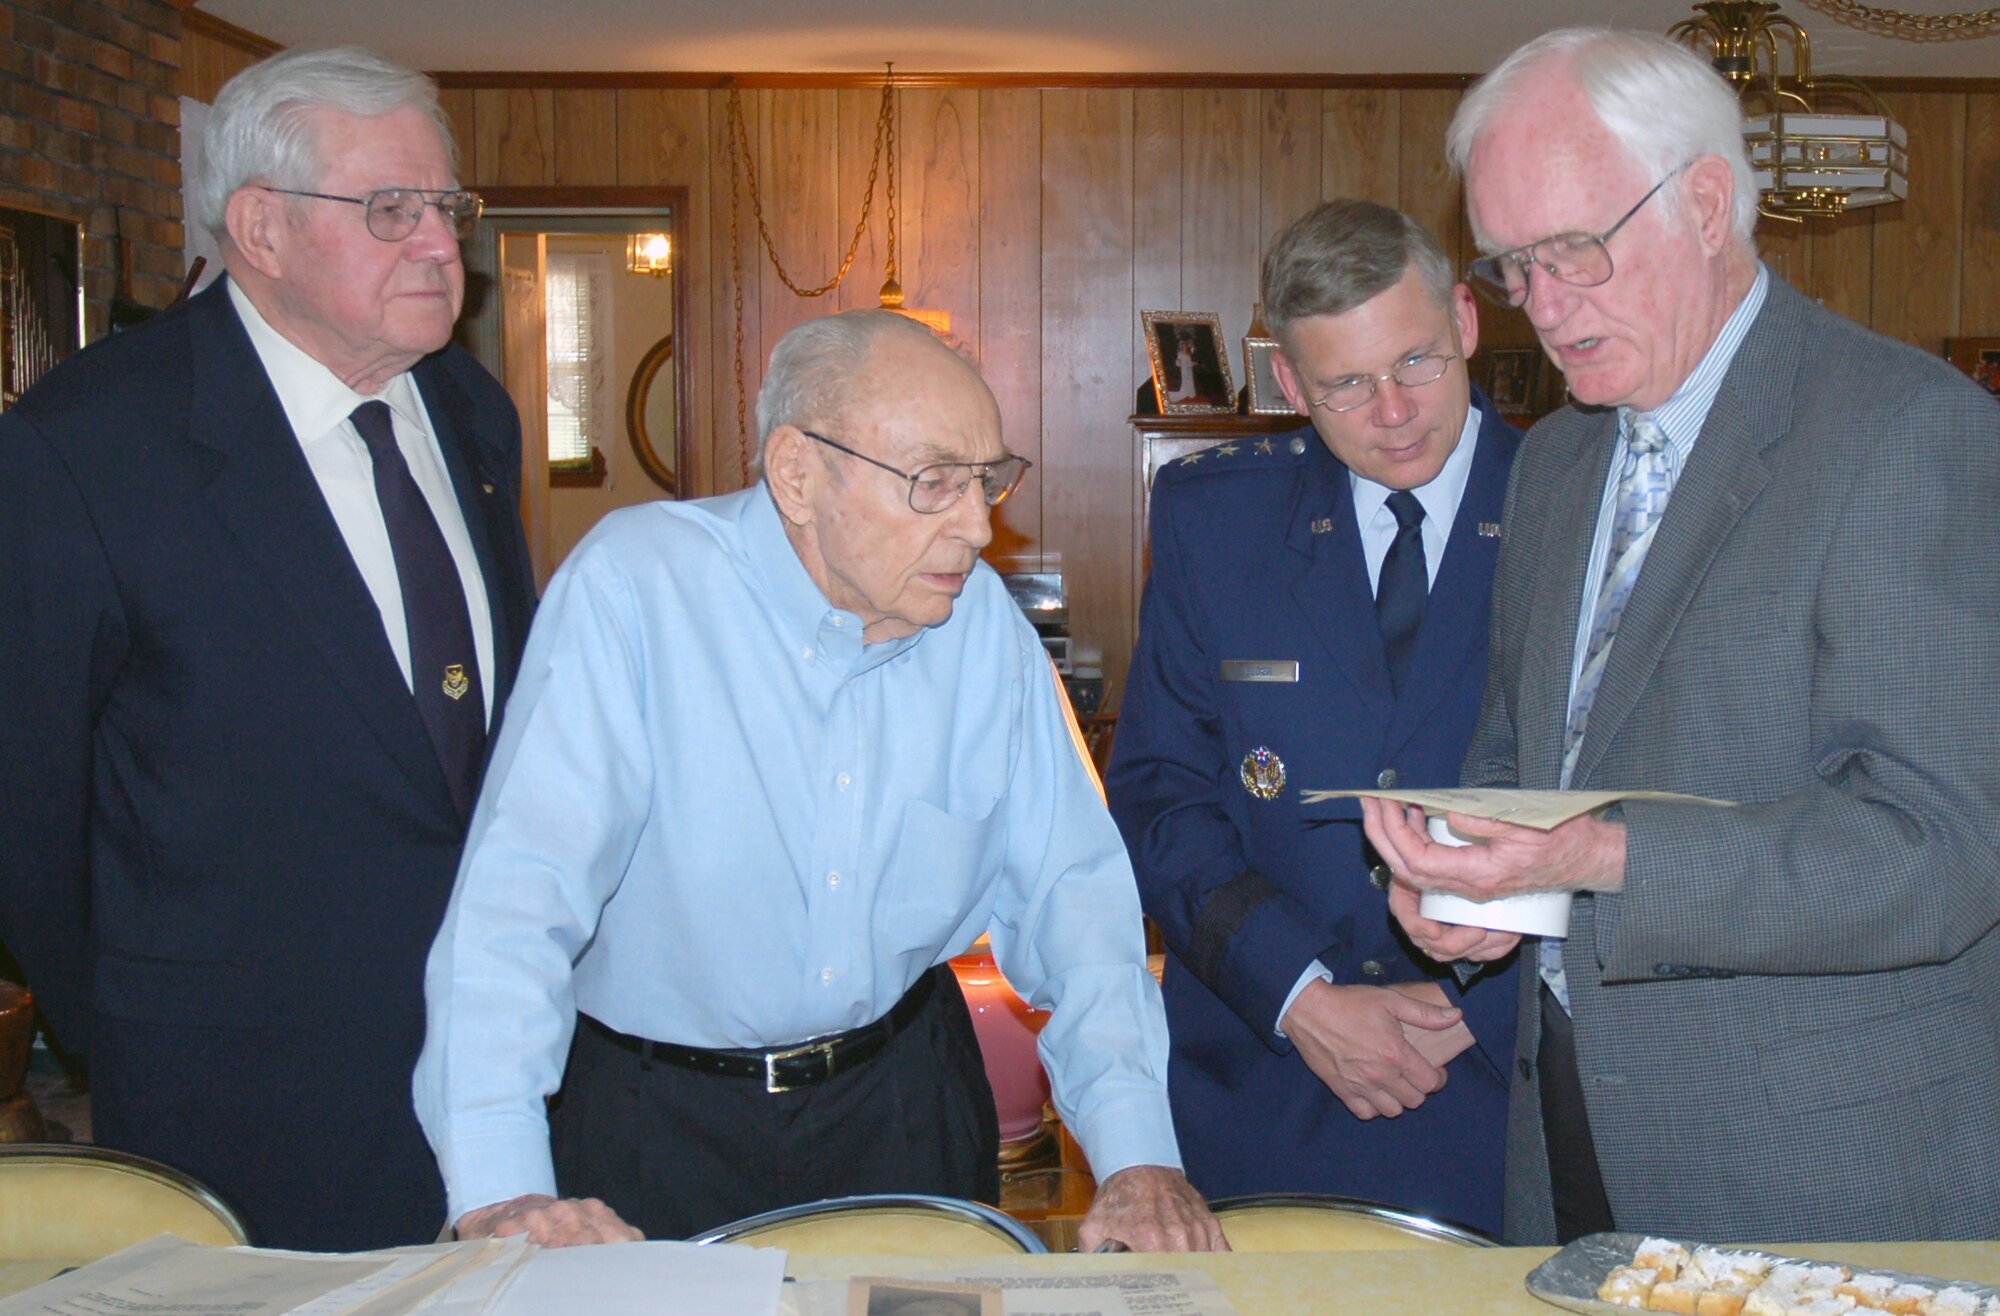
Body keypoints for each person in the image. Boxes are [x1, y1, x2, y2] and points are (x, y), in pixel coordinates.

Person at [1363, 27, 2000, 1246]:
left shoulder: (1908, 432)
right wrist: (1472, 880)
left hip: (1824, 1165)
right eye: (1511, 266)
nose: (1542, 307)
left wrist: (1597, 860)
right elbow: (1526, 759)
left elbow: (1938, 849)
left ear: (1705, 204)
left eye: (1574, 252)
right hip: (1568, 1131)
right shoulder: (1552, 463)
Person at [416, 309, 1226, 1253]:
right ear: (798, 473)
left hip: (901, 1108)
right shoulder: (636, 593)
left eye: (988, 480)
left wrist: (1136, 1157)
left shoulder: (985, 635)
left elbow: (1077, 905)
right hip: (657, 1122)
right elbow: (516, 910)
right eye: (934, 482)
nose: (978, 524)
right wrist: (500, 1185)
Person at [0, 47, 536, 1251]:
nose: (442, 247)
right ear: (261, 228)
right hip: (239, 1096)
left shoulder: (469, 411)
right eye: (391, 211)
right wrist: (145, 1009)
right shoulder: (90, 447)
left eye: (447, 209)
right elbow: (27, 804)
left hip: (496, 1074)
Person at [1108, 201, 1520, 1236]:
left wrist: (1464, 980)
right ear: (1288, 384)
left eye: (1416, 362)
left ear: (1465, 322)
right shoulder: (1217, 518)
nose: (1391, 411)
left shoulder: (1573, 503)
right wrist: (1297, 995)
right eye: (1343, 384)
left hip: (1502, 1087)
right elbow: (1161, 792)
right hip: (1268, 1082)